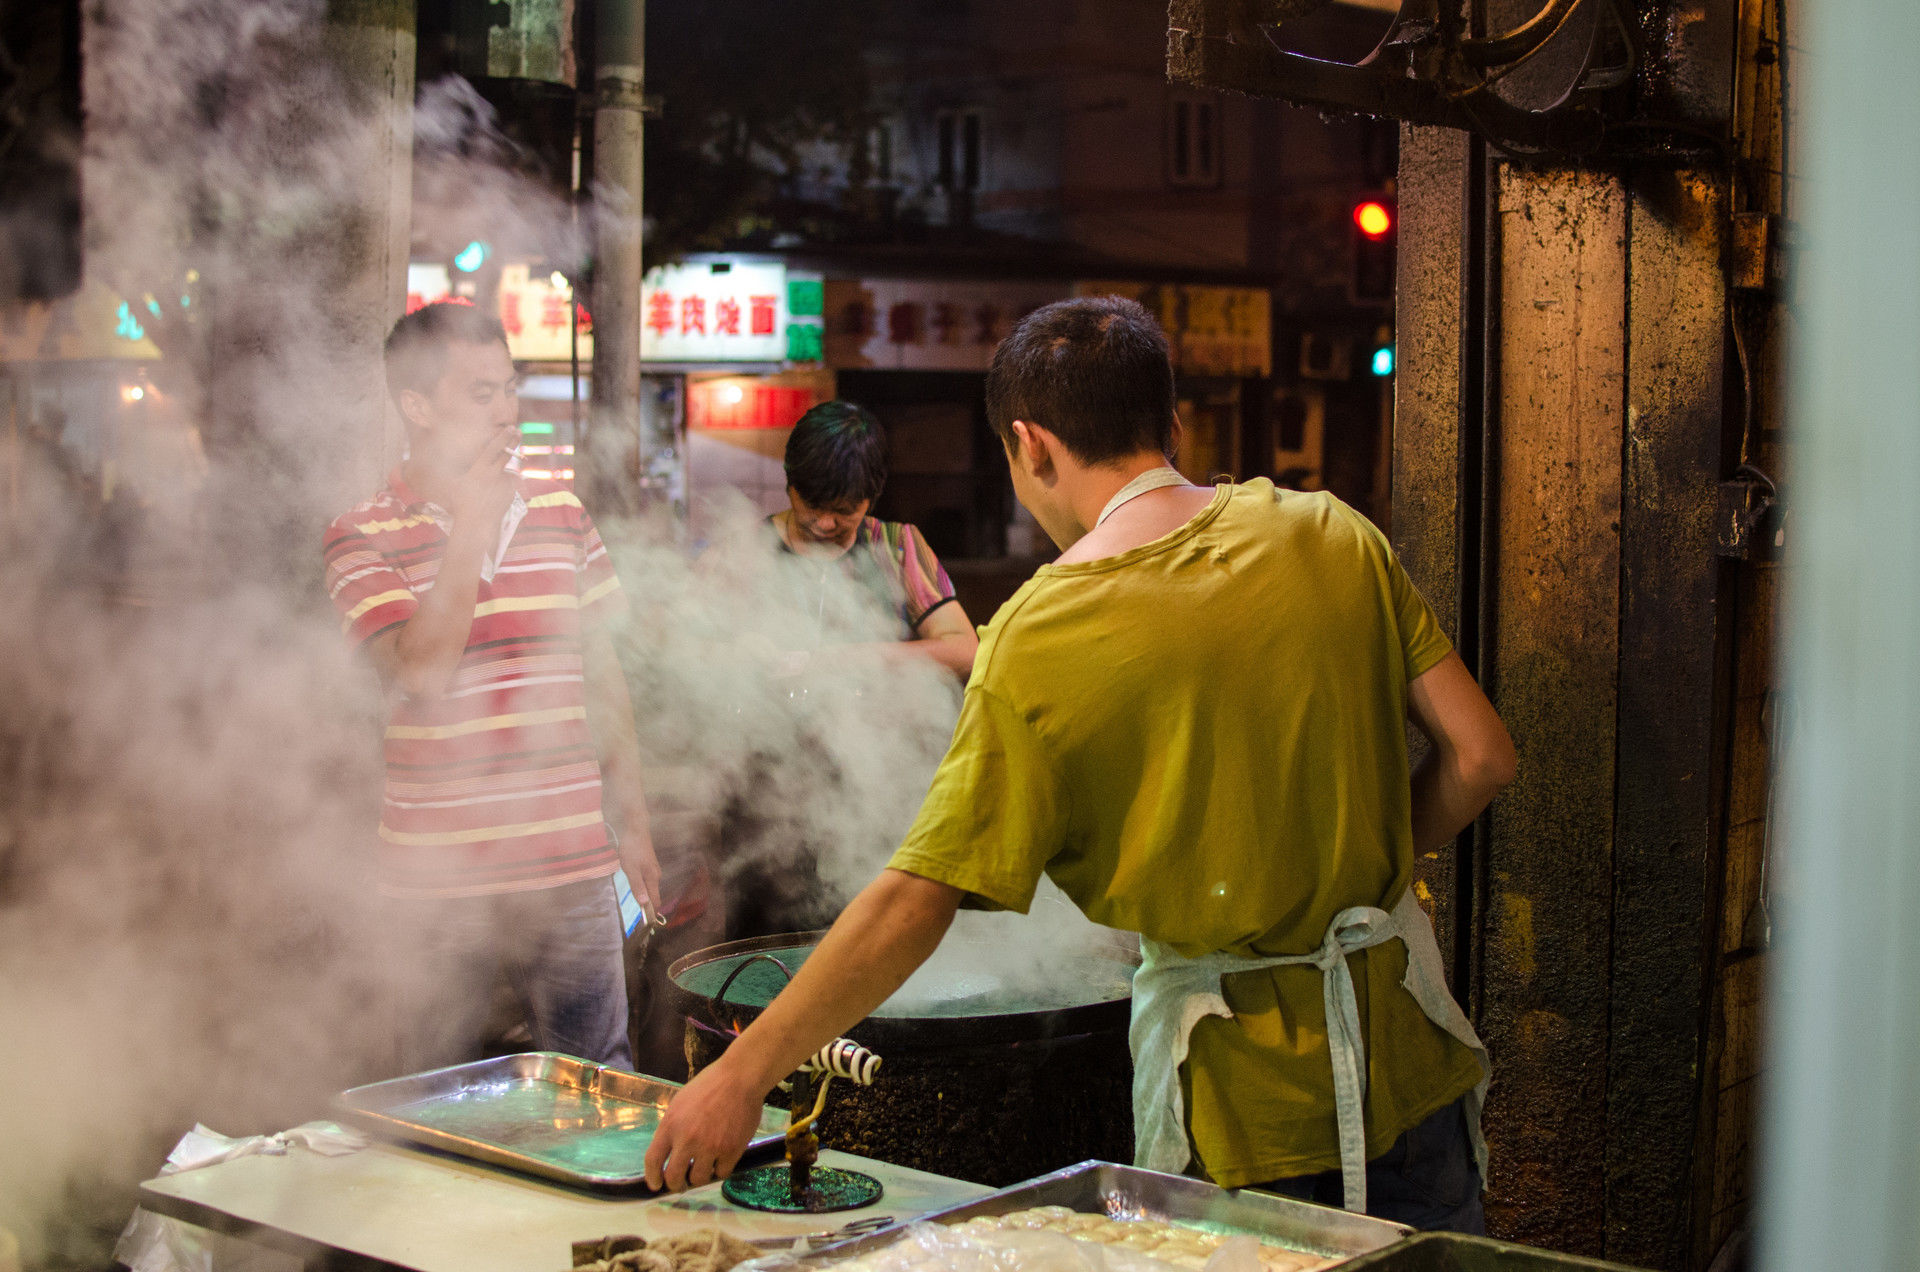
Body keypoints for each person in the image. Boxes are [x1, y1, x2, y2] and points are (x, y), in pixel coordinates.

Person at [643, 297, 1516, 1232]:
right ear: (1171, 424)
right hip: (1417, 1079)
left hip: (1249, 1125)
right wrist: (1339, 880)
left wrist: (741, 1073)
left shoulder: (1041, 627)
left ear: (1031, 446)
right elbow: (1482, 757)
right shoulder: (1335, 534)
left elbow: (915, 900)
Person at [322, 301, 661, 1073]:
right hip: (437, 878)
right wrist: (472, 519)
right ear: (416, 405)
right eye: (481, 396)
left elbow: (602, 674)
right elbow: (422, 670)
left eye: (509, 390)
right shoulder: (361, 533)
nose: (506, 414)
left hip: (572, 866)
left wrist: (630, 824)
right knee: (433, 1096)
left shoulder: (561, 513)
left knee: (599, 1082)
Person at [764, 399, 978, 678]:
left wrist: (846, 659)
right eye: (812, 506)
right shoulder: (751, 545)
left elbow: (965, 651)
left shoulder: (896, 545)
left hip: (876, 719)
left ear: (870, 500)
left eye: (844, 511)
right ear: (790, 485)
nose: (825, 524)